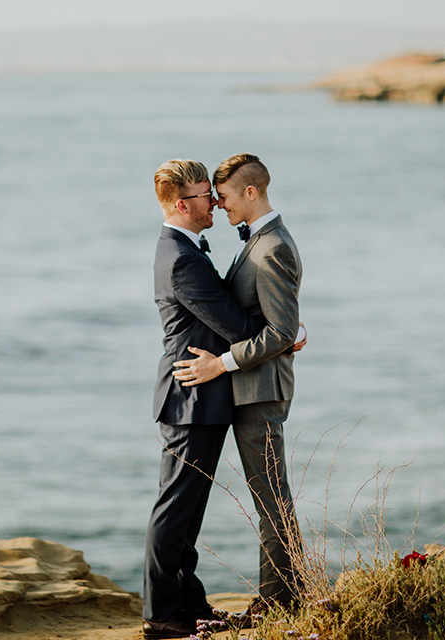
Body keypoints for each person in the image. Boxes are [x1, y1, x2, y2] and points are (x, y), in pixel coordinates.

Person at [173, 153, 304, 616]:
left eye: (224, 197)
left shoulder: (273, 247)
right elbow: (278, 322)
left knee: (271, 499)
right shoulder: (260, 241)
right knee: (269, 496)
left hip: (260, 389)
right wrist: (293, 331)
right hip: (253, 387)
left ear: (251, 192)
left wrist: (222, 363)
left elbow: (280, 332)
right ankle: (286, 595)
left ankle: (280, 602)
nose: (220, 205)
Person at [144, 159, 265, 639]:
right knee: (174, 511)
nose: (213, 202)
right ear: (181, 204)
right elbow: (233, 326)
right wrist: (282, 333)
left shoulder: (185, 248)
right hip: (189, 399)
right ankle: (160, 616)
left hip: (202, 397)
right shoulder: (180, 258)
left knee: (188, 513)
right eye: (203, 196)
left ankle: (190, 605)